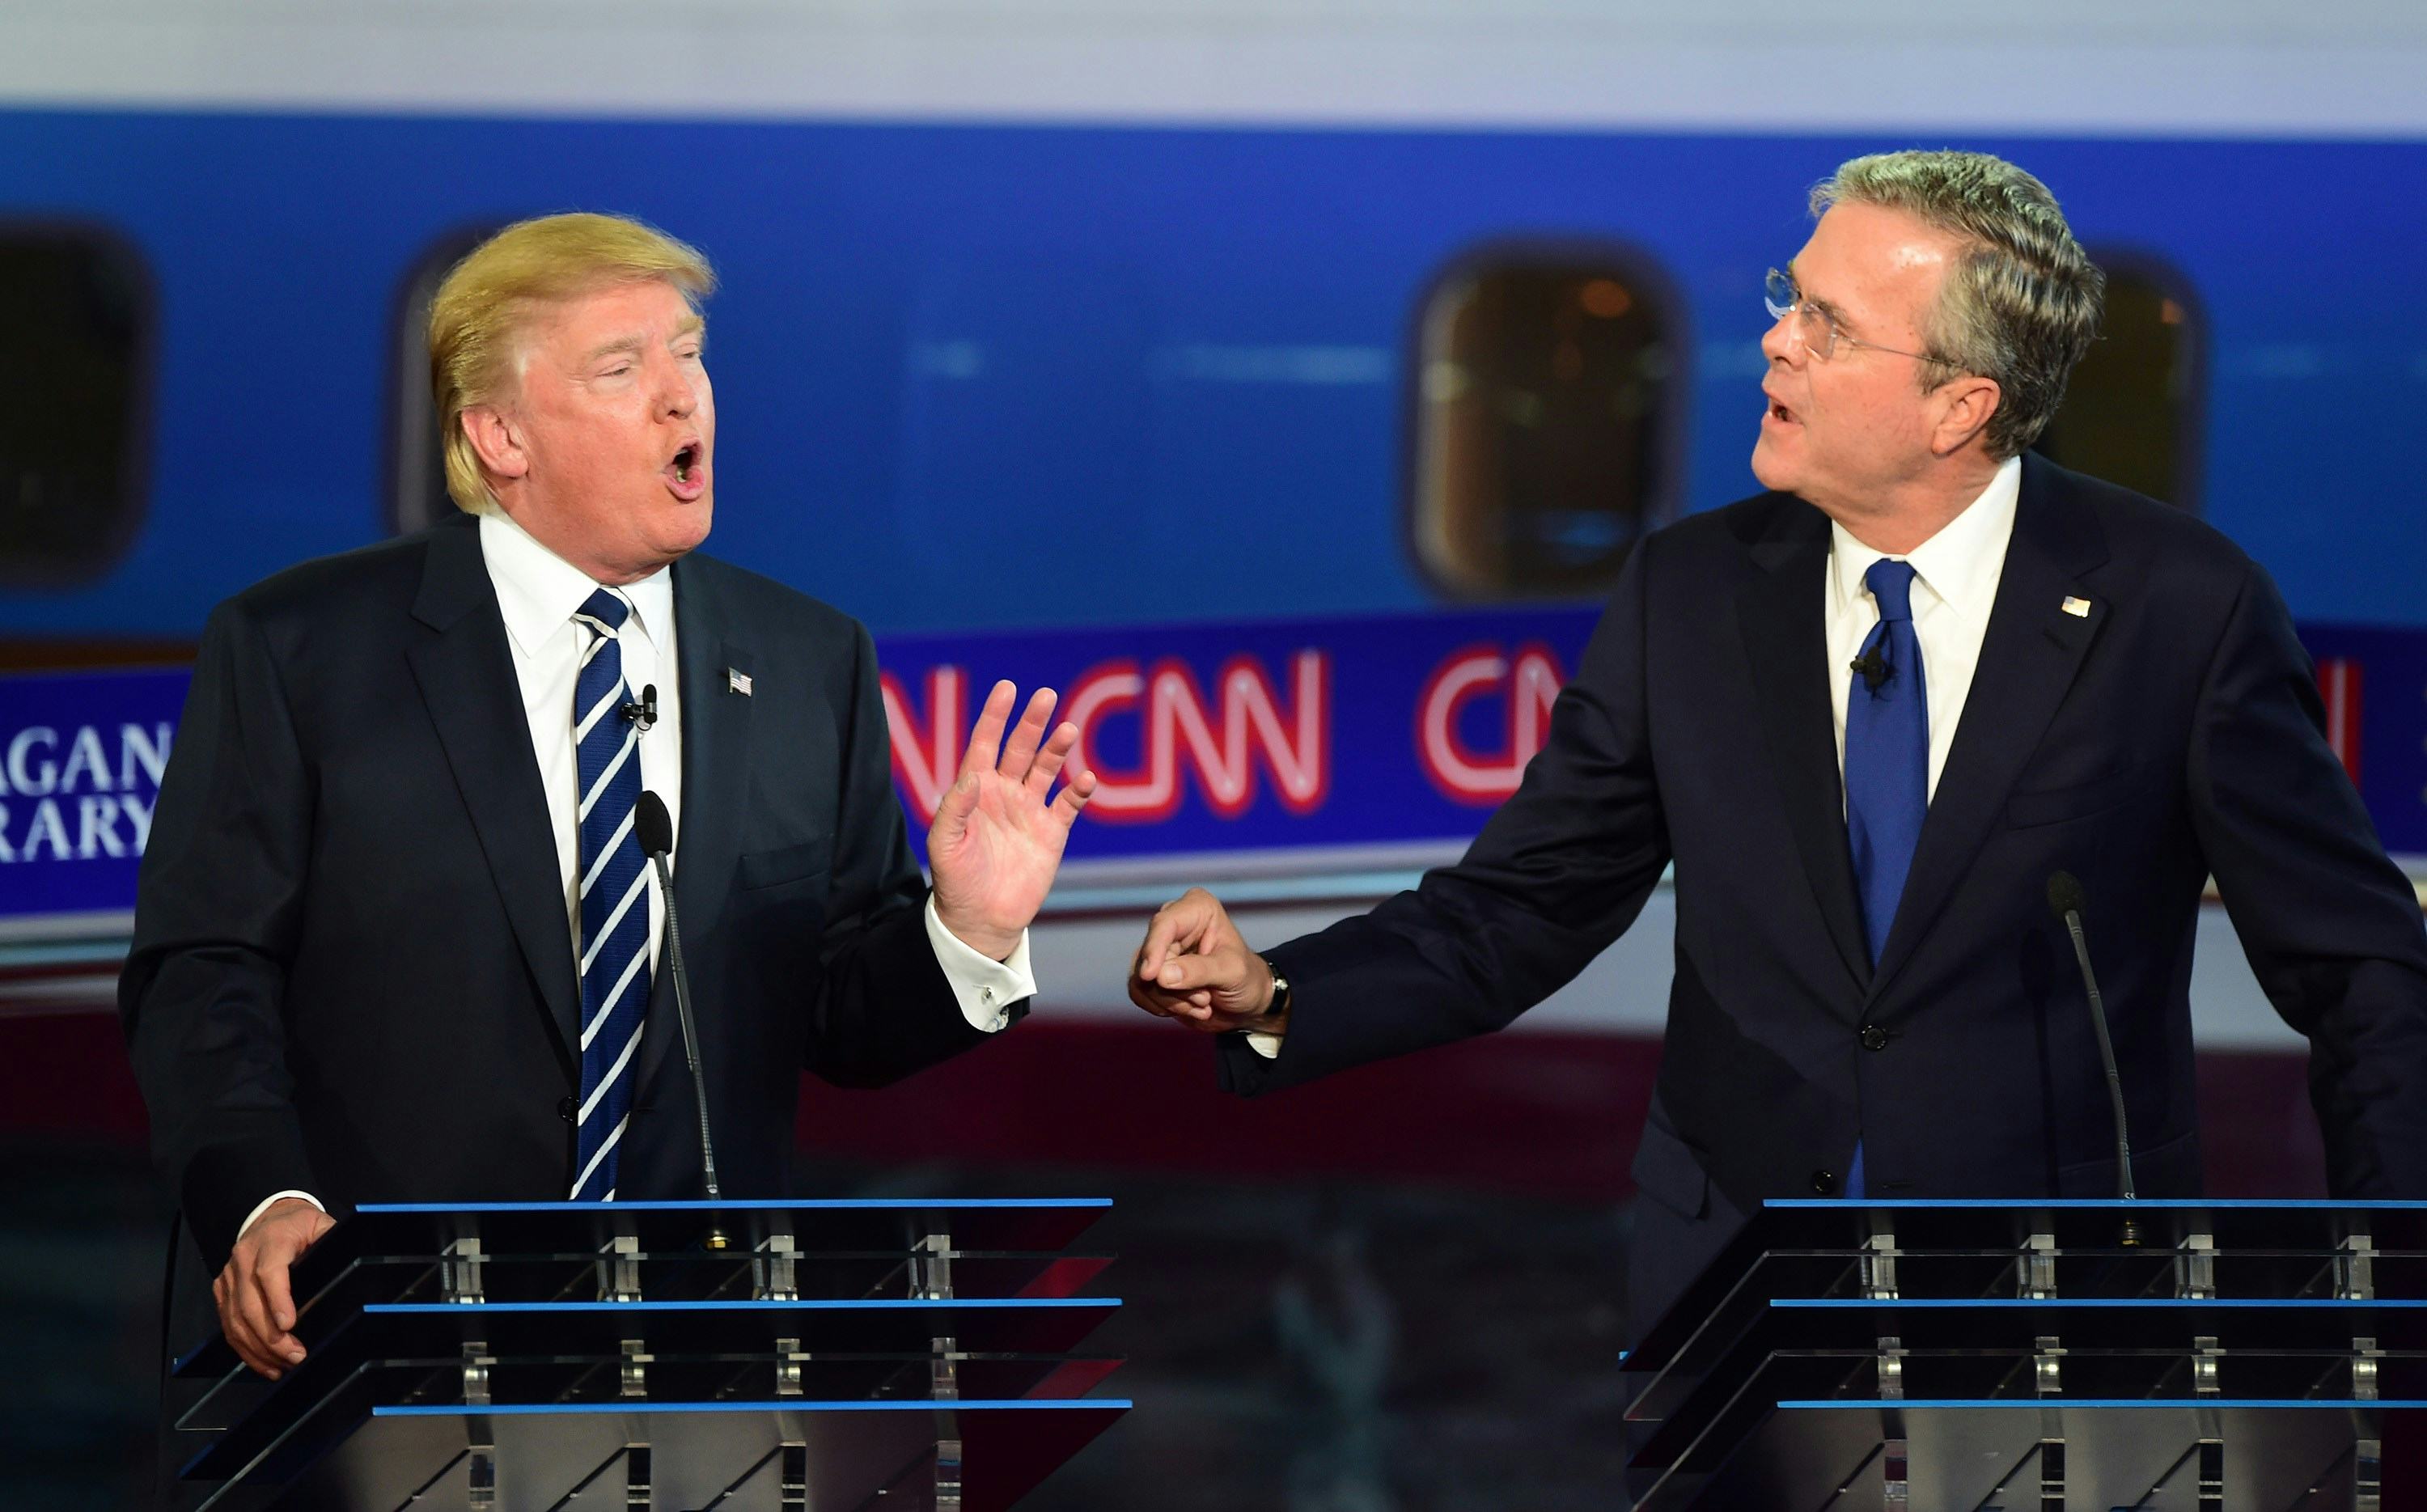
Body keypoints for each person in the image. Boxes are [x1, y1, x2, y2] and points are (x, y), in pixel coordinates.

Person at [1128, 150, 2427, 1350]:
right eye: (1788, 298)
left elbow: (2360, 967)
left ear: (1959, 404)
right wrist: (1277, 992)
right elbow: (1521, 905)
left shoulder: (2178, 609)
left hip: (2049, 1322)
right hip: (1732, 1312)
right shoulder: (1691, 592)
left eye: (1828, 324)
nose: (1775, 339)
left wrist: (2391, 1279)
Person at [121, 214, 1095, 1425]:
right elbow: (203, 970)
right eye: (622, 369)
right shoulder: (302, 652)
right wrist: (263, 1202)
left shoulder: (808, 660)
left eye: (689, 354)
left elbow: (841, 1013)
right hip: (364, 1349)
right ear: (501, 436)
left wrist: (968, 932)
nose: (683, 397)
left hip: (687, 1384)